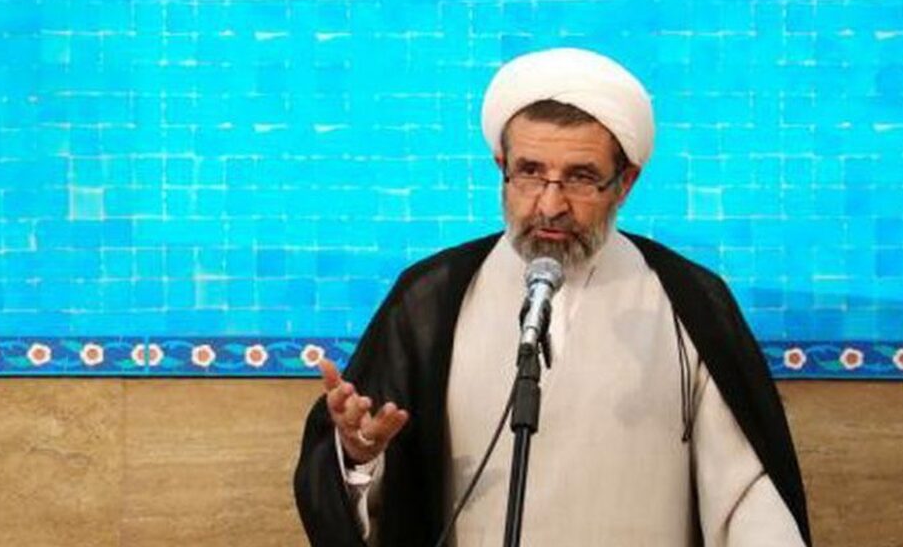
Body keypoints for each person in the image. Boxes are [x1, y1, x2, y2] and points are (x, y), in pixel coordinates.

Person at [294, 48, 811, 547]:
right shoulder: (432, 298)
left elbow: (748, 496)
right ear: (502, 166)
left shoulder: (688, 301)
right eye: (530, 172)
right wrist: (358, 457)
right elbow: (388, 495)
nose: (550, 203)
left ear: (625, 182)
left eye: (581, 178)